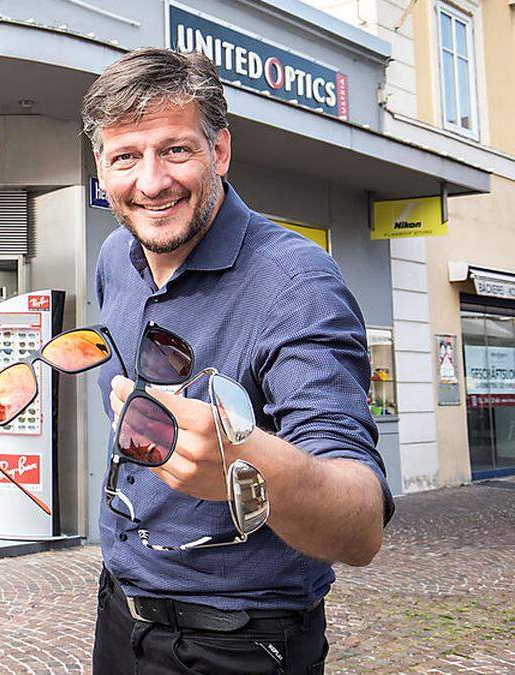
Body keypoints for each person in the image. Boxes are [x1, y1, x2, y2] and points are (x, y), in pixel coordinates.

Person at [83, 48, 394, 674]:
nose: (150, 182)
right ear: (100, 166)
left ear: (219, 151)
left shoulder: (297, 282)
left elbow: (360, 524)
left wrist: (242, 465)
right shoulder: (117, 256)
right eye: (125, 157)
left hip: (242, 643)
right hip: (121, 614)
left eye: (175, 150)